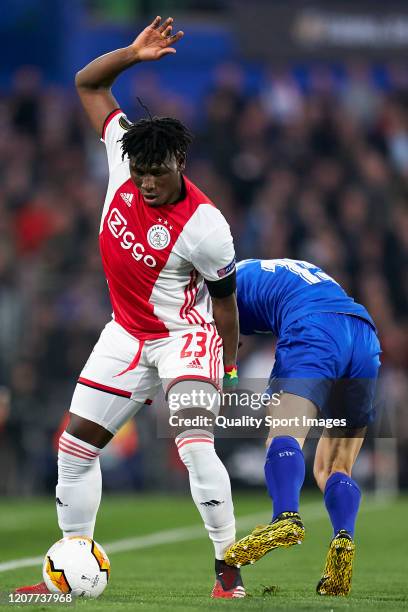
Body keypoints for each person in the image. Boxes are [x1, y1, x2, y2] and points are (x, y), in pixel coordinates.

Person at [16, 17, 245, 599]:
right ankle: (66, 572)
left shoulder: (206, 226)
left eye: (157, 174)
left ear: (180, 165)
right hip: (124, 333)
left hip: (183, 336)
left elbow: (224, 303)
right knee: (73, 449)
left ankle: (228, 570)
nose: (145, 183)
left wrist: (231, 365)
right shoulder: (125, 157)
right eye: (140, 173)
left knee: (194, 447)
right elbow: (87, 85)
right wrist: (133, 56)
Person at [224, 258, 381, 596]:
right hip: (363, 334)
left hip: (313, 327)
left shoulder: (219, 283)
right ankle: (343, 540)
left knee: (283, 432)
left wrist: (227, 372)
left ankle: (285, 517)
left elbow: (223, 335)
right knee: (333, 466)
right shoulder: (286, 269)